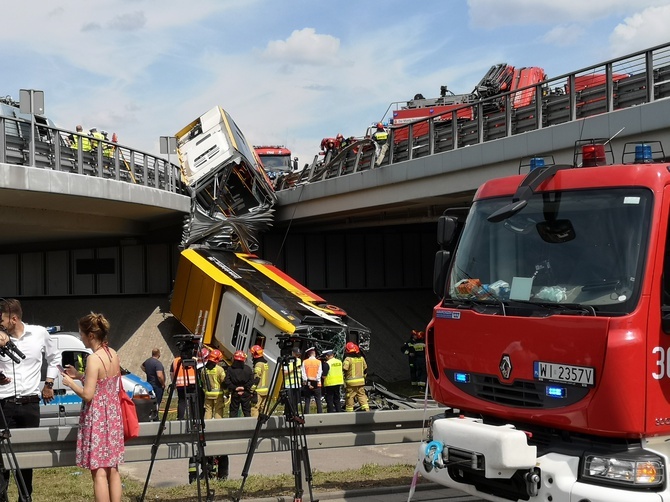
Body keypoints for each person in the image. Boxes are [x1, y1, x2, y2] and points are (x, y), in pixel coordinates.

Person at [0, 298, 61, 499]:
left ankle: (25, 497)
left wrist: (49, 383)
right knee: (2, 459)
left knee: (26, 458)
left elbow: (55, 358)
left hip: (30, 404)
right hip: (4, 403)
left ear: (14, 319)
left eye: (2, 321)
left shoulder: (39, 333)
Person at [61, 312, 123, 502]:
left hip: (97, 418)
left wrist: (70, 383)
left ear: (91, 335)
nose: (80, 337)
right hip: (113, 416)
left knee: (99, 473)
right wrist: (80, 376)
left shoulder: (93, 359)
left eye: (81, 334)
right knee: (113, 469)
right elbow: (104, 383)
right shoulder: (113, 354)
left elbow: (89, 395)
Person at [224, 350, 254, 418]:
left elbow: (227, 381)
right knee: (247, 412)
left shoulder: (230, 369)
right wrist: (244, 388)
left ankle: (233, 427)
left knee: (233, 412)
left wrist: (235, 388)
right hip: (246, 393)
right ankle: (249, 426)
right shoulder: (248, 369)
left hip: (235, 393)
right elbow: (252, 380)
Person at [342, 342, 369, 412]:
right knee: (362, 395)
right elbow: (365, 369)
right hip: (361, 382)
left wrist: (343, 380)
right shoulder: (361, 358)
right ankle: (366, 409)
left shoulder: (348, 359)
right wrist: (364, 377)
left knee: (350, 396)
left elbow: (344, 369)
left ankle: (349, 411)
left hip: (351, 383)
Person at [170, 352, 197, 420]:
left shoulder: (175, 361)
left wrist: (174, 383)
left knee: (182, 401)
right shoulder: (193, 359)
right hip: (192, 383)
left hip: (180, 383)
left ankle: (180, 417)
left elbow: (171, 373)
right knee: (193, 401)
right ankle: (194, 417)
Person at [201, 349, 226, 419]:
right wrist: (226, 393)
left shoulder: (203, 370)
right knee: (218, 410)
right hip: (218, 394)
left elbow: (203, 381)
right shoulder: (220, 369)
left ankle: (207, 427)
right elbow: (223, 382)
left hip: (208, 394)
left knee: (208, 410)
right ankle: (218, 427)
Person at [301, 347, 323, 414]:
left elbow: (303, 373)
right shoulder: (318, 362)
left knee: (307, 400)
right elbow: (319, 373)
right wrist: (315, 380)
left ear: (308, 354)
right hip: (317, 383)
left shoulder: (305, 362)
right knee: (318, 400)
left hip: (307, 383)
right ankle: (320, 413)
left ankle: (306, 414)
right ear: (314, 354)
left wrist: (308, 381)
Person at [250, 345, 269, 418]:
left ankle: (253, 425)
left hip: (258, 390)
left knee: (255, 407)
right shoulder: (265, 363)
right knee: (264, 408)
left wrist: (252, 390)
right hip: (265, 389)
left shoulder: (258, 364)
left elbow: (256, 378)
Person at [283, 346, 303, 413]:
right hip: (289, 384)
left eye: (298, 354)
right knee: (289, 401)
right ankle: (288, 413)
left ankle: (295, 413)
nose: (297, 356)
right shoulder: (287, 361)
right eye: (296, 354)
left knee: (296, 402)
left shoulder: (299, 360)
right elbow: (285, 373)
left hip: (297, 384)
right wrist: (294, 368)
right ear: (293, 353)